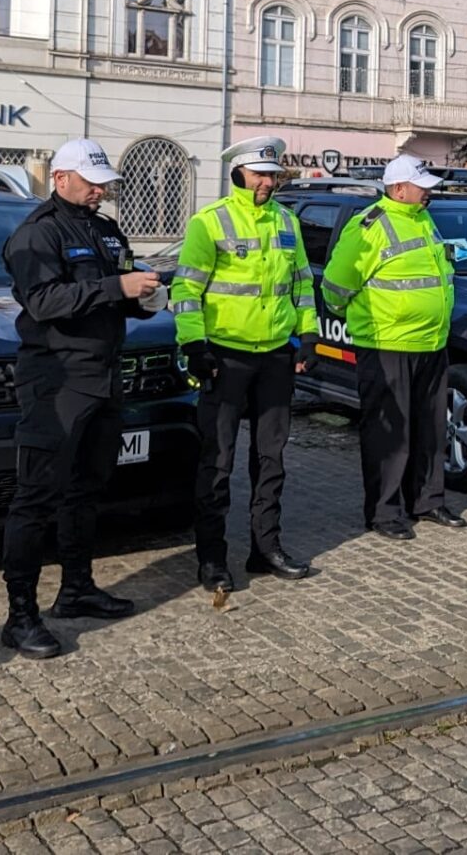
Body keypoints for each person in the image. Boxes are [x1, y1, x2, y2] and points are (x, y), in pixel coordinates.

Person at [0, 138, 164, 660]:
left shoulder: (106, 229)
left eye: (103, 182)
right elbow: (44, 301)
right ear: (60, 178)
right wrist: (119, 288)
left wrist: (144, 299)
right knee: (35, 498)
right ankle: (19, 616)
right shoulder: (37, 234)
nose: (100, 190)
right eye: (91, 182)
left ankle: (76, 589)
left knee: (87, 489)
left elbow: (119, 294)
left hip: (104, 374)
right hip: (57, 378)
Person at [173, 136, 318, 593]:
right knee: (217, 463)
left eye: (273, 175)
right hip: (224, 359)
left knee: (271, 459)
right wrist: (195, 346)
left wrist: (309, 334)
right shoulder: (209, 223)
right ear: (237, 173)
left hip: (276, 355)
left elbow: (301, 286)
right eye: (260, 175)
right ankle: (212, 559)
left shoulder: (288, 222)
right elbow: (185, 292)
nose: (268, 183)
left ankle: (265, 548)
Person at [322, 154, 463, 540]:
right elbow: (335, 286)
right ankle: (384, 513)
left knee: (431, 429)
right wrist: (362, 318)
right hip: (387, 345)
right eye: (422, 186)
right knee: (389, 433)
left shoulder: (423, 219)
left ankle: (427, 501)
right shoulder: (370, 225)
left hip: (430, 342)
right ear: (398, 188)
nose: (428, 193)